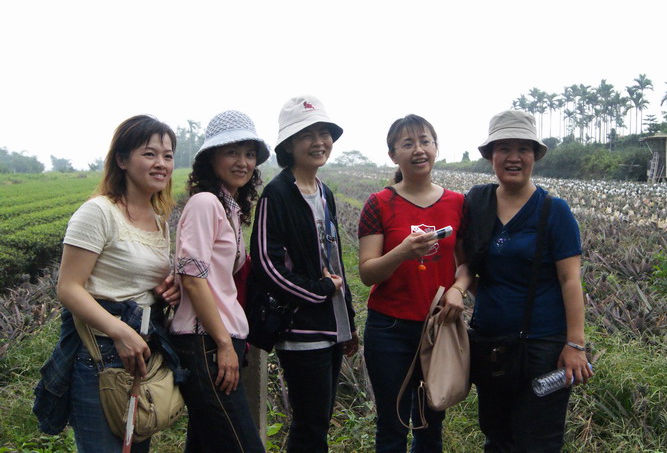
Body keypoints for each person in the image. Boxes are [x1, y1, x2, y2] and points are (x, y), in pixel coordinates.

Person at [34, 115, 185, 453]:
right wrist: (120, 332)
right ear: (121, 160)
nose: (161, 164)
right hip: (100, 354)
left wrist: (167, 288)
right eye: (149, 154)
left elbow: (138, 280)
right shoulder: (99, 212)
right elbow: (68, 287)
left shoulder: (159, 221)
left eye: (168, 155)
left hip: (142, 351)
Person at [465, 110, 593, 452]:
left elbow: (570, 280)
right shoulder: (477, 204)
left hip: (543, 350)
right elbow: (465, 265)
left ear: (534, 155)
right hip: (491, 345)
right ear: (491, 156)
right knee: (497, 437)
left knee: (538, 441)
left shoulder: (554, 211)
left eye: (523, 148)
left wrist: (575, 345)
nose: (514, 157)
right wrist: (490, 298)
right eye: (504, 148)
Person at [250, 95, 358, 453]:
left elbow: (334, 261)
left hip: (330, 325)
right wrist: (319, 290)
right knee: (310, 427)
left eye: (324, 133)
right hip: (301, 330)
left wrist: (348, 322)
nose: (319, 142)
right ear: (288, 145)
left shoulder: (324, 192)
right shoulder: (277, 194)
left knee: (318, 423)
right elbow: (267, 265)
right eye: (307, 134)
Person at [357, 114, 468, 452]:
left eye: (425, 141)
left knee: (431, 423)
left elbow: (468, 264)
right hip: (390, 329)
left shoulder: (458, 203)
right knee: (392, 425)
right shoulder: (379, 203)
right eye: (407, 144)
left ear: (436, 148)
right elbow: (367, 273)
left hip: (438, 327)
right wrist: (402, 252)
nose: (418, 150)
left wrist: (458, 288)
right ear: (393, 155)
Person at [169, 110, 269, 453]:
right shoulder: (205, 203)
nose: (243, 162)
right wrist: (224, 344)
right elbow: (193, 279)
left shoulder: (229, 208)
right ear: (211, 158)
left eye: (249, 153)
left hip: (218, 338)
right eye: (232, 152)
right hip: (207, 341)